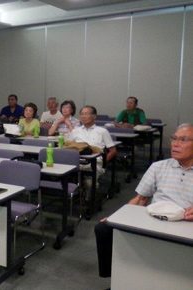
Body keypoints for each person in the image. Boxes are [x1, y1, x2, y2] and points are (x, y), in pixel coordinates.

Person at [94, 123, 193, 279]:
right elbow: (141, 199)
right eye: (174, 138)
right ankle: (115, 278)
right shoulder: (159, 167)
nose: (175, 143)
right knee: (103, 229)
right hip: (155, 216)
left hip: (186, 223)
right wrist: (116, 217)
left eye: (183, 140)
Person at [69, 106, 117, 189]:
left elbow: (113, 151)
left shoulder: (102, 131)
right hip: (77, 161)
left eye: (86, 114)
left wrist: (103, 163)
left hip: (95, 163)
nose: (83, 116)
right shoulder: (75, 131)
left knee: (89, 183)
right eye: (82, 114)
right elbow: (68, 147)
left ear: (94, 116)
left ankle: (88, 200)